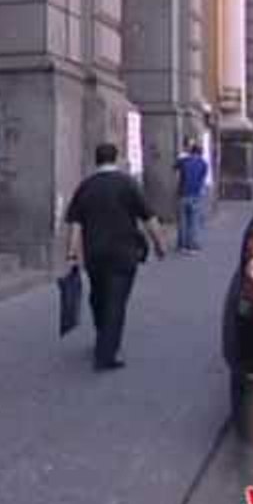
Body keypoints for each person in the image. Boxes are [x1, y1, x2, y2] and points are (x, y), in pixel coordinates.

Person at [65, 143, 167, 372]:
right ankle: (107, 353)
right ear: (117, 159)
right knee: (116, 301)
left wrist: (72, 252)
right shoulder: (128, 184)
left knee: (98, 296)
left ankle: (103, 335)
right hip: (124, 253)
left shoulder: (86, 186)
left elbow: (76, 222)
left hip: (95, 253)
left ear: (96, 160)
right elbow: (148, 217)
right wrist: (160, 245)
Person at [175, 142, 209, 254]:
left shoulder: (184, 161)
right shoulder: (203, 163)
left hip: (182, 194)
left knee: (182, 221)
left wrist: (184, 155)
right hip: (195, 194)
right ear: (200, 153)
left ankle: (182, 245)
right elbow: (202, 178)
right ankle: (192, 245)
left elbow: (175, 166)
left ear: (191, 152)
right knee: (193, 221)